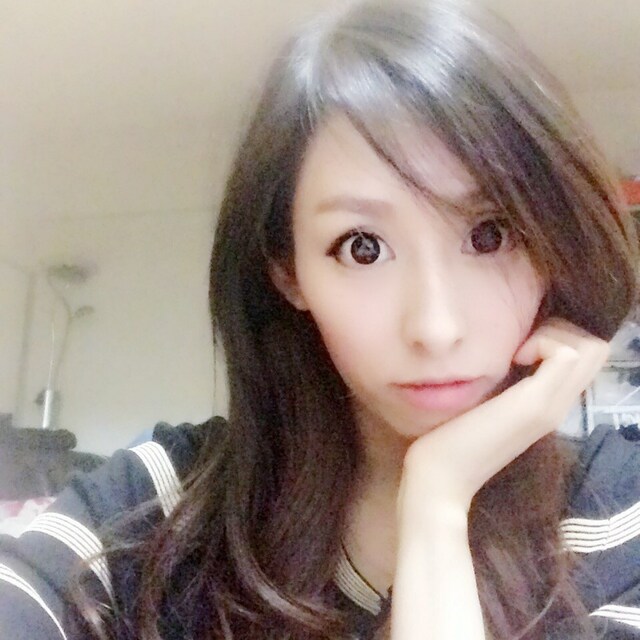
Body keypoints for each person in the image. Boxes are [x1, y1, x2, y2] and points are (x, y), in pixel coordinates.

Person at [1, 0, 639, 638]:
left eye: (490, 234)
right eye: (363, 247)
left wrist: (438, 501)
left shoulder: (616, 517)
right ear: (289, 270)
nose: (436, 327)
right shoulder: (160, 508)